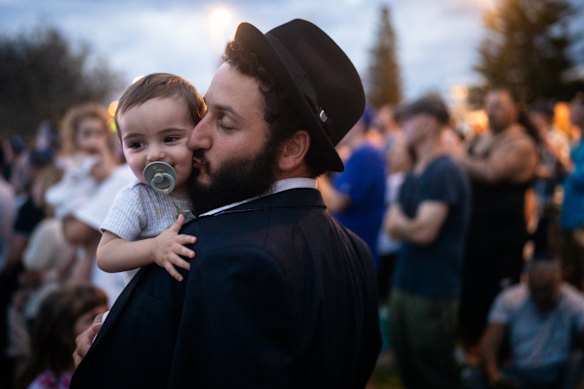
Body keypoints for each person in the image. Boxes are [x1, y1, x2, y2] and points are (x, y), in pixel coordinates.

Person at [71, 18, 381, 388]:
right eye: (204, 114)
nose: (196, 138)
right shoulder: (356, 253)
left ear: (291, 149)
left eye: (225, 123)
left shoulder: (208, 256)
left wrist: (106, 357)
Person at [385, 94, 471, 388]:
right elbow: (391, 224)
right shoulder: (413, 174)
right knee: (409, 370)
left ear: (429, 123)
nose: (402, 125)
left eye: (408, 118)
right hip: (405, 285)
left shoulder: (444, 170)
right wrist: (408, 224)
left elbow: (424, 233)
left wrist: (404, 224)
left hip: (433, 292)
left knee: (434, 375)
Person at [97, 73, 205, 283]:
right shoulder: (137, 198)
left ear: (199, 134)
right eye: (136, 144)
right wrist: (153, 249)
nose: (154, 155)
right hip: (153, 306)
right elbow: (105, 255)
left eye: (170, 139)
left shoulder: (207, 184)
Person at [457, 87, 540, 353]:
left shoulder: (521, 143)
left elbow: (492, 172)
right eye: (488, 105)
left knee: (498, 295)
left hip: (504, 237)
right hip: (477, 233)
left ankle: (499, 352)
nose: (491, 111)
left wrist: (457, 157)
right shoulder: (482, 139)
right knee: (475, 289)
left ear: (515, 109)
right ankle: (472, 346)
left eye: (499, 106)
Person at [462, 258, 584, 388]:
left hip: (559, 371)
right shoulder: (510, 299)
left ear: (559, 282)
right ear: (528, 281)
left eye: (546, 289)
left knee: (577, 359)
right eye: (536, 289)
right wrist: (494, 374)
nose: (541, 296)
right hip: (522, 372)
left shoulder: (574, 302)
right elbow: (489, 342)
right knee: (471, 379)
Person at [17, 283, 108, 389]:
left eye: (107, 313)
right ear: (66, 334)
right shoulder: (48, 385)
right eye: (91, 318)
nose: (105, 322)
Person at [559, 94, 584, 291]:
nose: (570, 112)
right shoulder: (576, 143)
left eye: (575, 108)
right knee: (571, 269)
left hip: (580, 219)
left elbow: (579, 177)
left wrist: (566, 165)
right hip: (569, 215)